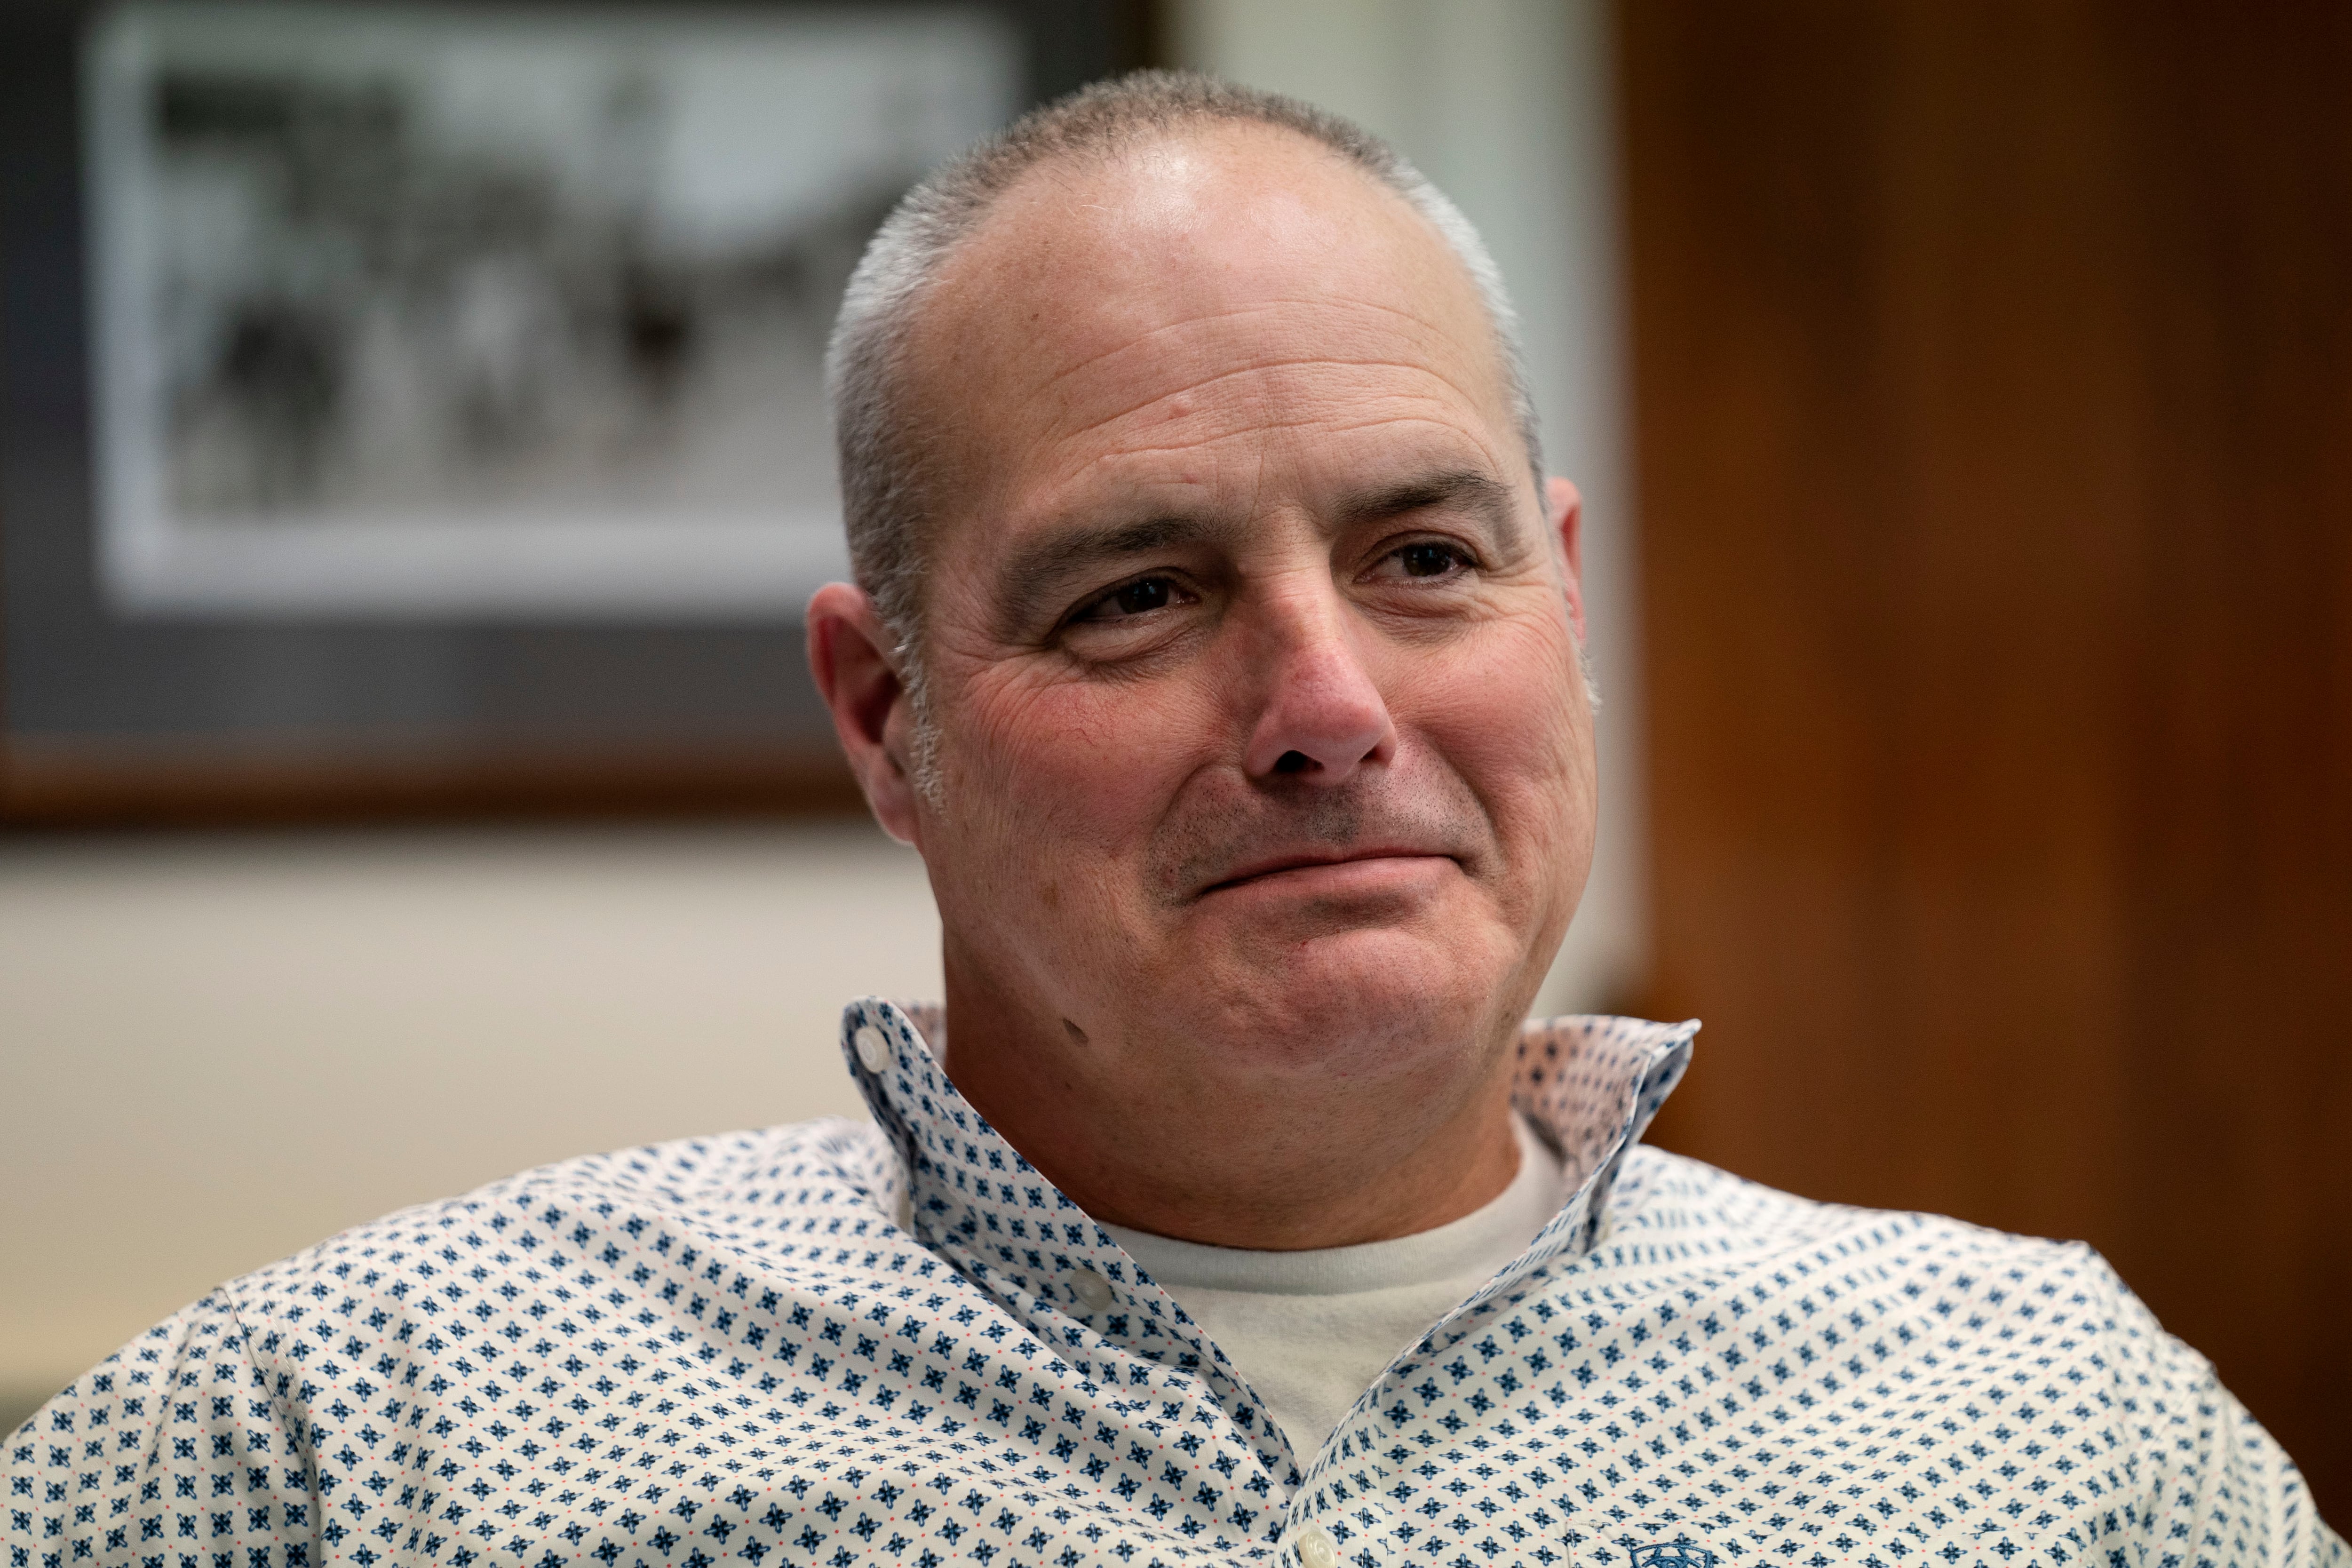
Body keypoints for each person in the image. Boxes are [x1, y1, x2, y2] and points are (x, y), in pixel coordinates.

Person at [8, 71, 2338, 1568]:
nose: (1327, 708)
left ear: (1564, 595)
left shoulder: (2051, 1438)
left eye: (1425, 561)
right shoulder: (360, 1445)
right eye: (1136, 595)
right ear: (882, 717)